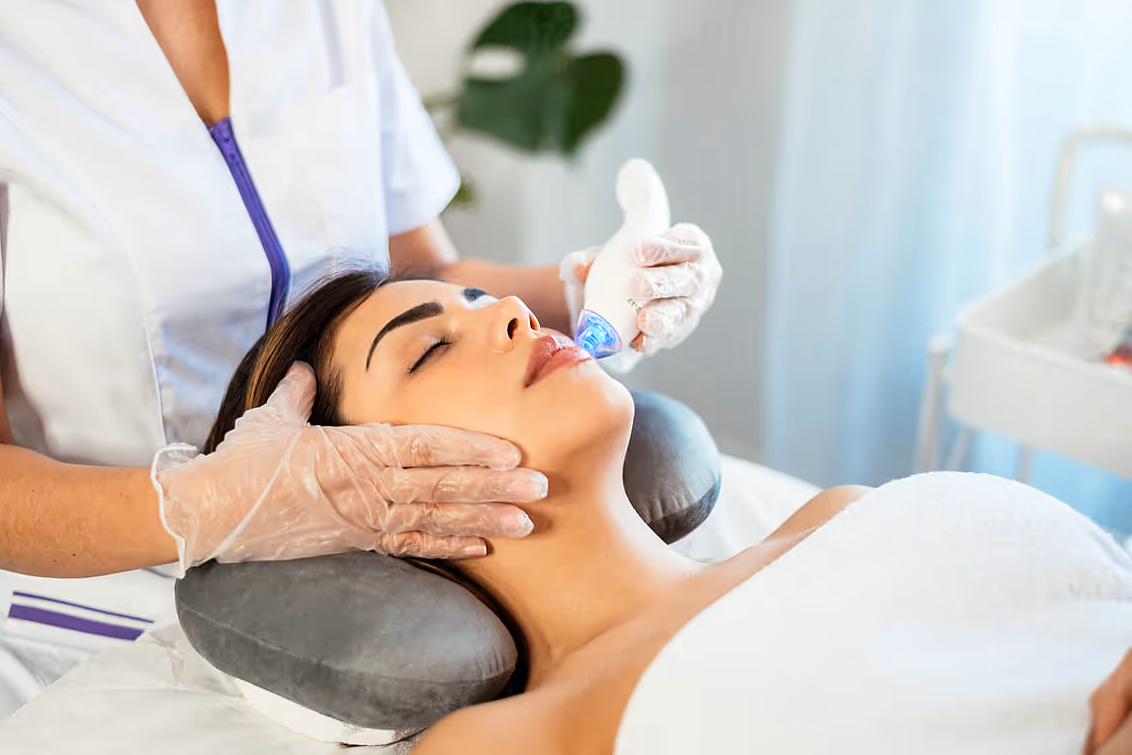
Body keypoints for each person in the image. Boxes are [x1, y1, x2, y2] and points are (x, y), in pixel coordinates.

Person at [0, 0, 723, 742]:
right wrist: (210, 504)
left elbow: (425, 277)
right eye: (427, 354)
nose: (514, 316)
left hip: (379, 595)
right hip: (67, 628)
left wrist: (586, 290)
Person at [198, 267, 1132, 755]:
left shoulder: (837, 519)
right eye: (432, 349)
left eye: (481, 297)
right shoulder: (509, 740)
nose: (515, 312)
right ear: (359, 489)